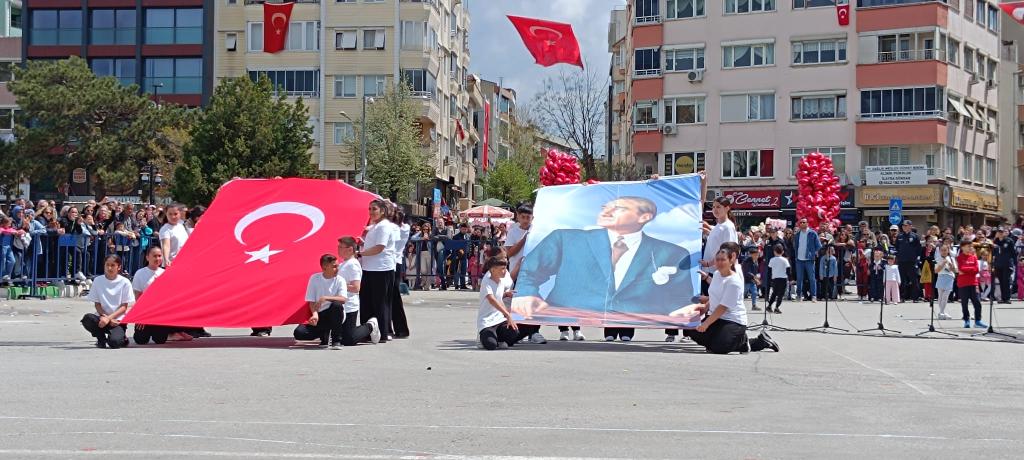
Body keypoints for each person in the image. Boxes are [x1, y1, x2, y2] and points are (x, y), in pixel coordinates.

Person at [512, 196, 694, 320]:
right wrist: (527, 294)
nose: (607, 211)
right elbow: (529, 271)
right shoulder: (564, 239)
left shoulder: (672, 253)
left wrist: (683, 311)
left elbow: (679, 300)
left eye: (618, 208)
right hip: (564, 316)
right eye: (605, 207)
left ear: (644, 216)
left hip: (638, 323)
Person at [682, 243, 779, 354]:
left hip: (732, 321)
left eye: (723, 260)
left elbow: (723, 307)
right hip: (716, 318)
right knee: (690, 329)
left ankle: (750, 342)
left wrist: (706, 323)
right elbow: (716, 292)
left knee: (719, 348)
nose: (719, 262)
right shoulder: (717, 274)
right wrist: (706, 279)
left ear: (730, 261)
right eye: (717, 260)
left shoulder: (734, 281)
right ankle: (720, 340)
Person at [477, 257, 541, 350]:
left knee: (515, 331)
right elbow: (492, 300)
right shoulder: (487, 281)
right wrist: (507, 314)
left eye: (505, 268)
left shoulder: (501, 281)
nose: (505, 271)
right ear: (493, 270)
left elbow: (499, 298)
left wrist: (506, 294)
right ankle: (483, 338)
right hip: (487, 322)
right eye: (502, 269)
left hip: (499, 320)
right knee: (491, 345)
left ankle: (499, 339)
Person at [360, 199, 396, 343]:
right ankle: (367, 331)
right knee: (367, 302)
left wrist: (360, 253)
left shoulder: (384, 226)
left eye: (374, 209)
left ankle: (382, 332)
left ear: (382, 211)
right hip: (369, 268)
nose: (371, 212)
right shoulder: (375, 226)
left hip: (381, 269)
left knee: (380, 302)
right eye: (369, 209)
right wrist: (363, 244)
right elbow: (373, 245)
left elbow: (380, 247)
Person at [80, 255, 135, 349]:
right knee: (87, 319)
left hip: (117, 320)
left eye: (113, 265)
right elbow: (97, 304)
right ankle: (100, 338)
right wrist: (104, 316)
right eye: (107, 265)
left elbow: (124, 307)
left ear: (119, 267)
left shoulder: (125, 282)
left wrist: (109, 318)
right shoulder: (98, 280)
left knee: (114, 343)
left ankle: (122, 338)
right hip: (102, 317)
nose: (109, 268)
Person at [336, 236, 381, 346]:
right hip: (340, 304)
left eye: (341, 247)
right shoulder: (342, 264)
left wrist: (338, 285)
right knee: (341, 336)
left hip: (349, 305)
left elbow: (356, 287)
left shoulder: (353, 264)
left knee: (349, 339)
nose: (338, 249)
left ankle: (371, 325)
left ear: (350, 249)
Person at [956, 241, 988, 328]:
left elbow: (976, 270)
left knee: (977, 302)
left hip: (973, 283)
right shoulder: (959, 258)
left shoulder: (973, 257)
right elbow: (961, 268)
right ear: (962, 247)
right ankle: (966, 320)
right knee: (964, 303)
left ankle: (978, 321)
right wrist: (970, 270)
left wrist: (966, 271)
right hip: (963, 284)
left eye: (971, 246)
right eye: (968, 246)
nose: (970, 248)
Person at [793, 218, 822, 302]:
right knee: (799, 279)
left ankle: (813, 296)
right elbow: (795, 246)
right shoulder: (797, 234)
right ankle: (799, 296)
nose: (802, 223)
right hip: (799, 259)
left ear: (807, 223)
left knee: (812, 278)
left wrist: (812, 253)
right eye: (801, 222)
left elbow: (818, 246)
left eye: (804, 222)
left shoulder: (812, 233)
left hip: (809, 259)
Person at [894, 220, 922, 302]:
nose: (904, 227)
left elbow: (918, 248)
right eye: (903, 226)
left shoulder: (915, 236)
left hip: (911, 261)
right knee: (902, 280)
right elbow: (897, 247)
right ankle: (902, 297)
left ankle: (915, 297)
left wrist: (916, 258)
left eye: (906, 225)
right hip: (902, 261)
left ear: (910, 226)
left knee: (914, 280)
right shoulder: (899, 236)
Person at [991, 229, 1014, 304]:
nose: (1000, 234)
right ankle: (1002, 298)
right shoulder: (995, 241)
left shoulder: (1009, 241)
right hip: (998, 264)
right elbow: (993, 253)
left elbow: (1012, 252)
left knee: (1006, 281)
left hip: (1007, 264)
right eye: (999, 232)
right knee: (1001, 281)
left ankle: (1007, 298)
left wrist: (1013, 263)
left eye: (1001, 232)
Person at [935, 244, 958, 320]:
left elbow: (955, 270)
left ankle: (941, 312)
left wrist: (951, 266)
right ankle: (942, 312)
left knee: (945, 296)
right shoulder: (937, 259)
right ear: (939, 251)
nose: (944, 252)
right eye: (942, 250)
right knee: (940, 296)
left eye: (945, 250)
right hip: (941, 277)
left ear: (948, 251)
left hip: (949, 277)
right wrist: (943, 263)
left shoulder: (951, 258)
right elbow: (936, 271)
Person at [766, 244, 789, 314]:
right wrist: (790, 278)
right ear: (782, 252)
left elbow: (769, 271)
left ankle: (769, 306)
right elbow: (788, 270)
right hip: (783, 279)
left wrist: (769, 279)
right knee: (781, 294)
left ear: (774, 252)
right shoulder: (785, 260)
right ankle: (777, 307)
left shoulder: (772, 260)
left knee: (774, 293)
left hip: (775, 279)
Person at [741, 246, 762, 311]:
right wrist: (755, 278)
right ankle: (736, 305)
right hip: (746, 280)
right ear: (751, 254)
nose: (757, 256)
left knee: (754, 292)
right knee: (742, 293)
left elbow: (756, 270)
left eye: (757, 255)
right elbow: (747, 272)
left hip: (752, 280)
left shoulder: (755, 261)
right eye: (755, 255)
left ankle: (754, 305)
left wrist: (758, 275)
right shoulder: (746, 261)